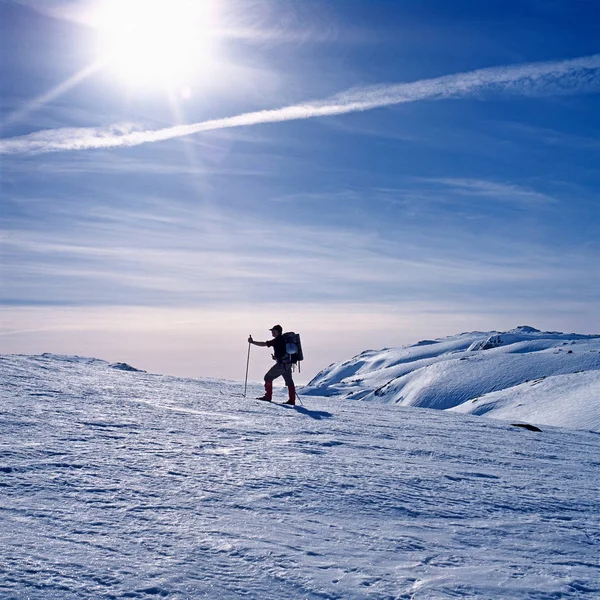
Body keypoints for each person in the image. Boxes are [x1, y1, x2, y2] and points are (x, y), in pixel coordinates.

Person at [248, 325, 296, 405]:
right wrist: (276, 357)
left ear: (278, 332)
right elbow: (282, 352)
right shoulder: (283, 340)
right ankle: (292, 400)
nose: (272, 332)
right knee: (289, 381)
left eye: (273, 331)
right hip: (287, 363)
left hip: (282, 365)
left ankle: (268, 397)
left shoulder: (277, 340)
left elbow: (264, 344)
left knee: (268, 377)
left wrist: (252, 342)